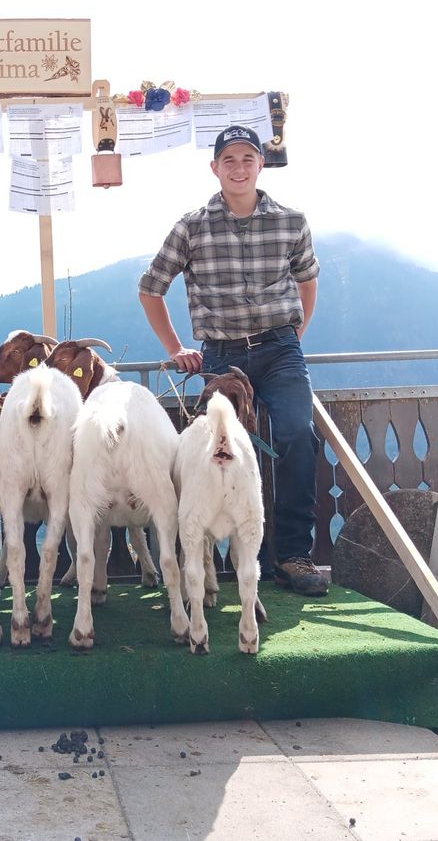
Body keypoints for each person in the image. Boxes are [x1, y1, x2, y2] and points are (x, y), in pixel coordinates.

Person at [138, 124, 326, 596]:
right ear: (214, 168)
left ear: (261, 164)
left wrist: (295, 335)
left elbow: (307, 281)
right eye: (229, 160)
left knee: (297, 435)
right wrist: (175, 349)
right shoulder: (191, 227)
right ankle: (212, 558)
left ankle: (292, 556)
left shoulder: (292, 222)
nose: (238, 168)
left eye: (247, 159)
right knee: (214, 450)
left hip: (280, 350)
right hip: (219, 355)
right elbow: (150, 289)